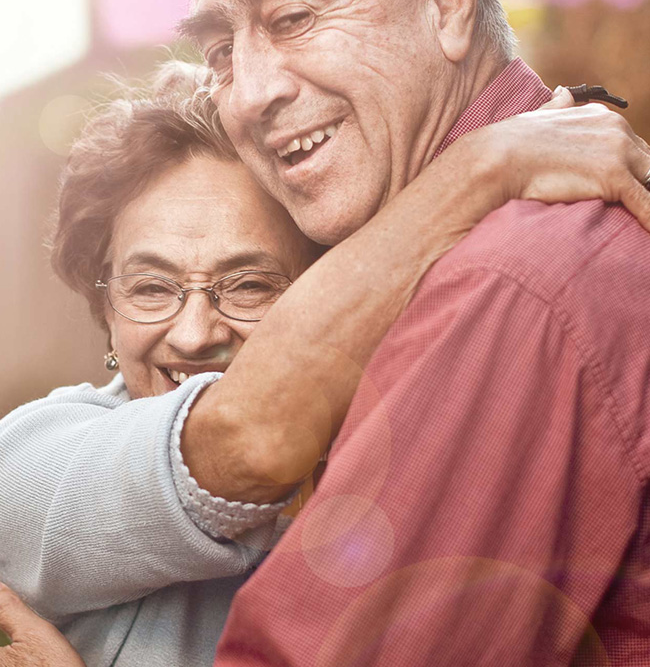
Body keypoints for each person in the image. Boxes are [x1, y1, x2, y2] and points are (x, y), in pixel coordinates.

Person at [2, 51, 650, 667]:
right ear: (105, 309)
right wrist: (491, 163)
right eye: (150, 289)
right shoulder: (27, 465)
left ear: (332, 292)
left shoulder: (404, 455)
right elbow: (245, 438)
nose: (194, 333)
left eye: (250, 284)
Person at [180, 0, 650, 664]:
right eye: (222, 52)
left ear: (448, 2)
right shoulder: (489, 239)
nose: (252, 92)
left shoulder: (511, 279)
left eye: (292, 17)